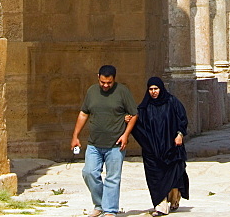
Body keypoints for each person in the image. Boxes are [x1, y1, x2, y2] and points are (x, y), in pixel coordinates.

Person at [71, 64, 138, 217]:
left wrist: (126, 134)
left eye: (109, 83)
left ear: (114, 79)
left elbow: (134, 114)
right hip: (94, 143)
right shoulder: (92, 91)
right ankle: (100, 204)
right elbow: (83, 113)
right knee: (89, 173)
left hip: (115, 144)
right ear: (98, 78)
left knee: (112, 178)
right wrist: (75, 136)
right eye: (103, 82)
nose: (106, 85)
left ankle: (110, 210)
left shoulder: (122, 91)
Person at [132, 77, 189, 216]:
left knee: (174, 172)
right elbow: (139, 126)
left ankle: (174, 198)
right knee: (155, 176)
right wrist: (130, 121)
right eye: (150, 89)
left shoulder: (172, 102)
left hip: (171, 146)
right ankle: (160, 205)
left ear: (161, 89)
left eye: (156, 89)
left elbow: (182, 118)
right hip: (153, 148)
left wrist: (179, 135)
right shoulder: (145, 107)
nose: (153, 92)